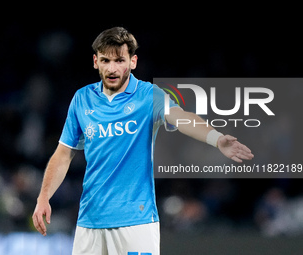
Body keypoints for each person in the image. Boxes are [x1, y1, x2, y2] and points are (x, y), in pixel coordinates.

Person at [32, 27, 254, 255]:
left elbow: (181, 118)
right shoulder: (82, 99)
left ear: (133, 61)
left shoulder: (149, 95)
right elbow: (63, 154)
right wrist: (43, 197)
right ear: (95, 61)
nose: (112, 68)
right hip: (89, 222)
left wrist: (216, 139)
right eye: (106, 60)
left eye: (120, 60)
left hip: (136, 222)